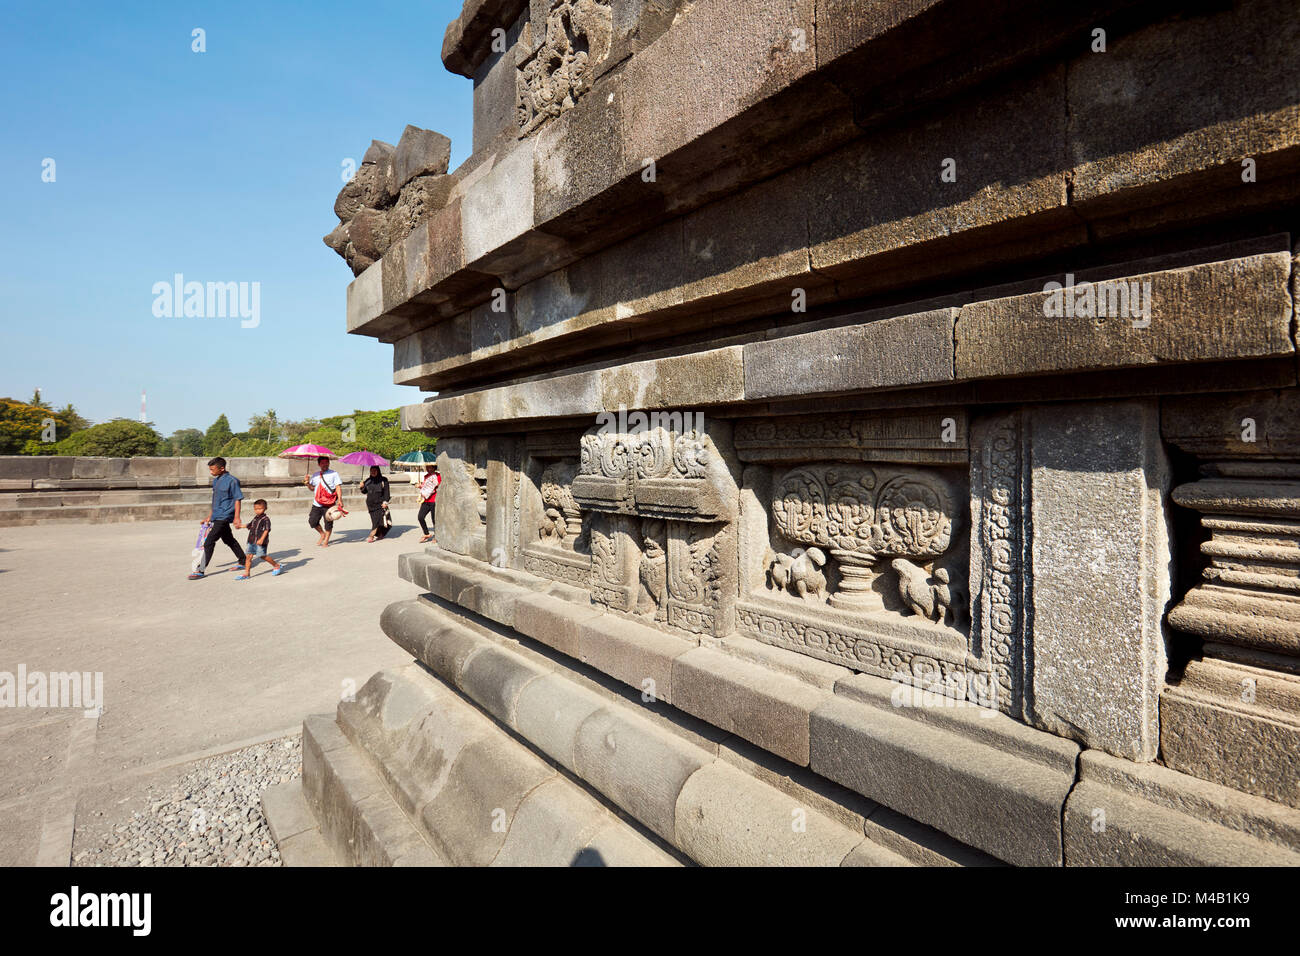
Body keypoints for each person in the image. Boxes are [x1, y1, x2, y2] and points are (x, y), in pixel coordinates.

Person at [189, 457, 245, 579]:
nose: (211, 472)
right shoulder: (216, 481)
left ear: (222, 468)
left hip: (225, 515)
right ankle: (243, 560)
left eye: (213, 469)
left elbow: (238, 499)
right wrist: (209, 516)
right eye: (210, 469)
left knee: (209, 542)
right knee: (229, 540)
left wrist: (237, 517)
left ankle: (200, 569)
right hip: (217, 515)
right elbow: (215, 501)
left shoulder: (232, 481)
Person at [236, 499, 283, 579]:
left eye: (260, 509)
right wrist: (240, 526)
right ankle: (247, 574)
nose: (257, 511)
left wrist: (261, 539)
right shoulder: (255, 518)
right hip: (251, 540)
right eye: (255, 509)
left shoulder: (266, 519)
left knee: (262, 556)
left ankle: (276, 565)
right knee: (248, 557)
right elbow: (249, 525)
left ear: (265, 508)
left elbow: (266, 530)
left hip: (260, 541)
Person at [305, 456, 343, 547]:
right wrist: (307, 483)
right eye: (322, 463)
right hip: (317, 503)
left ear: (329, 463)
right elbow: (312, 488)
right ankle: (322, 534)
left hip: (329, 503)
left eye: (326, 462)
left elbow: (338, 487)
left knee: (328, 523)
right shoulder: (315, 475)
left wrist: (340, 499)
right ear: (319, 464)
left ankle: (326, 540)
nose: (325, 464)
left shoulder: (334, 474)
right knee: (312, 521)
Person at [361, 466, 391, 543]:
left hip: (380, 504)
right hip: (371, 505)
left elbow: (387, 493)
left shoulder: (384, 480)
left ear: (378, 471)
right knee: (375, 520)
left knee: (376, 521)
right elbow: (364, 491)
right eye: (371, 471)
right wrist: (361, 487)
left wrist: (385, 502)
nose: (373, 472)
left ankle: (371, 536)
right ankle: (380, 534)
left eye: (375, 470)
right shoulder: (368, 480)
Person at [417, 463, 440, 543]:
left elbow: (439, 486)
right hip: (426, 500)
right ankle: (426, 533)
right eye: (427, 467)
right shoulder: (426, 476)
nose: (428, 468)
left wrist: (434, 490)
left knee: (434, 519)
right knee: (420, 517)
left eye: (429, 467)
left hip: (434, 500)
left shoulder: (438, 476)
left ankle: (437, 536)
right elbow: (425, 486)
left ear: (434, 467)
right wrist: (421, 486)